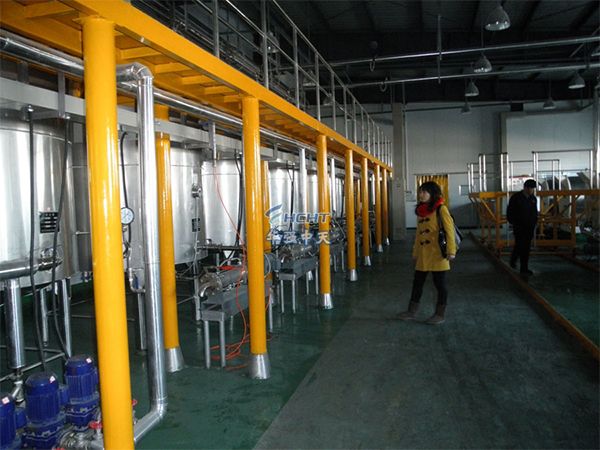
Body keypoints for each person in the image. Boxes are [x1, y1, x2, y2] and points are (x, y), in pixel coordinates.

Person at [398, 181, 456, 325]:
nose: (421, 194)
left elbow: (450, 231)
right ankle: (411, 311)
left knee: (440, 284)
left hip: (438, 254)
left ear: (432, 193)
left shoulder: (441, 209)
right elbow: (419, 235)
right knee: (417, 282)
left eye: (424, 192)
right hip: (423, 255)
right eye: (420, 191)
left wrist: (451, 250)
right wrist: (415, 252)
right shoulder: (421, 211)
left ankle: (440, 314)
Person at [507, 179, 538, 275]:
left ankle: (523, 267)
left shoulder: (533, 199)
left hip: (529, 227)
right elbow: (510, 211)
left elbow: (534, 212)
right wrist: (513, 222)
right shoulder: (516, 198)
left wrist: (534, 223)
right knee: (520, 245)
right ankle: (515, 262)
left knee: (526, 247)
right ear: (525, 188)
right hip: (519, 227)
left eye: (533, 188)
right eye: (530, 188)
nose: (532, 190)